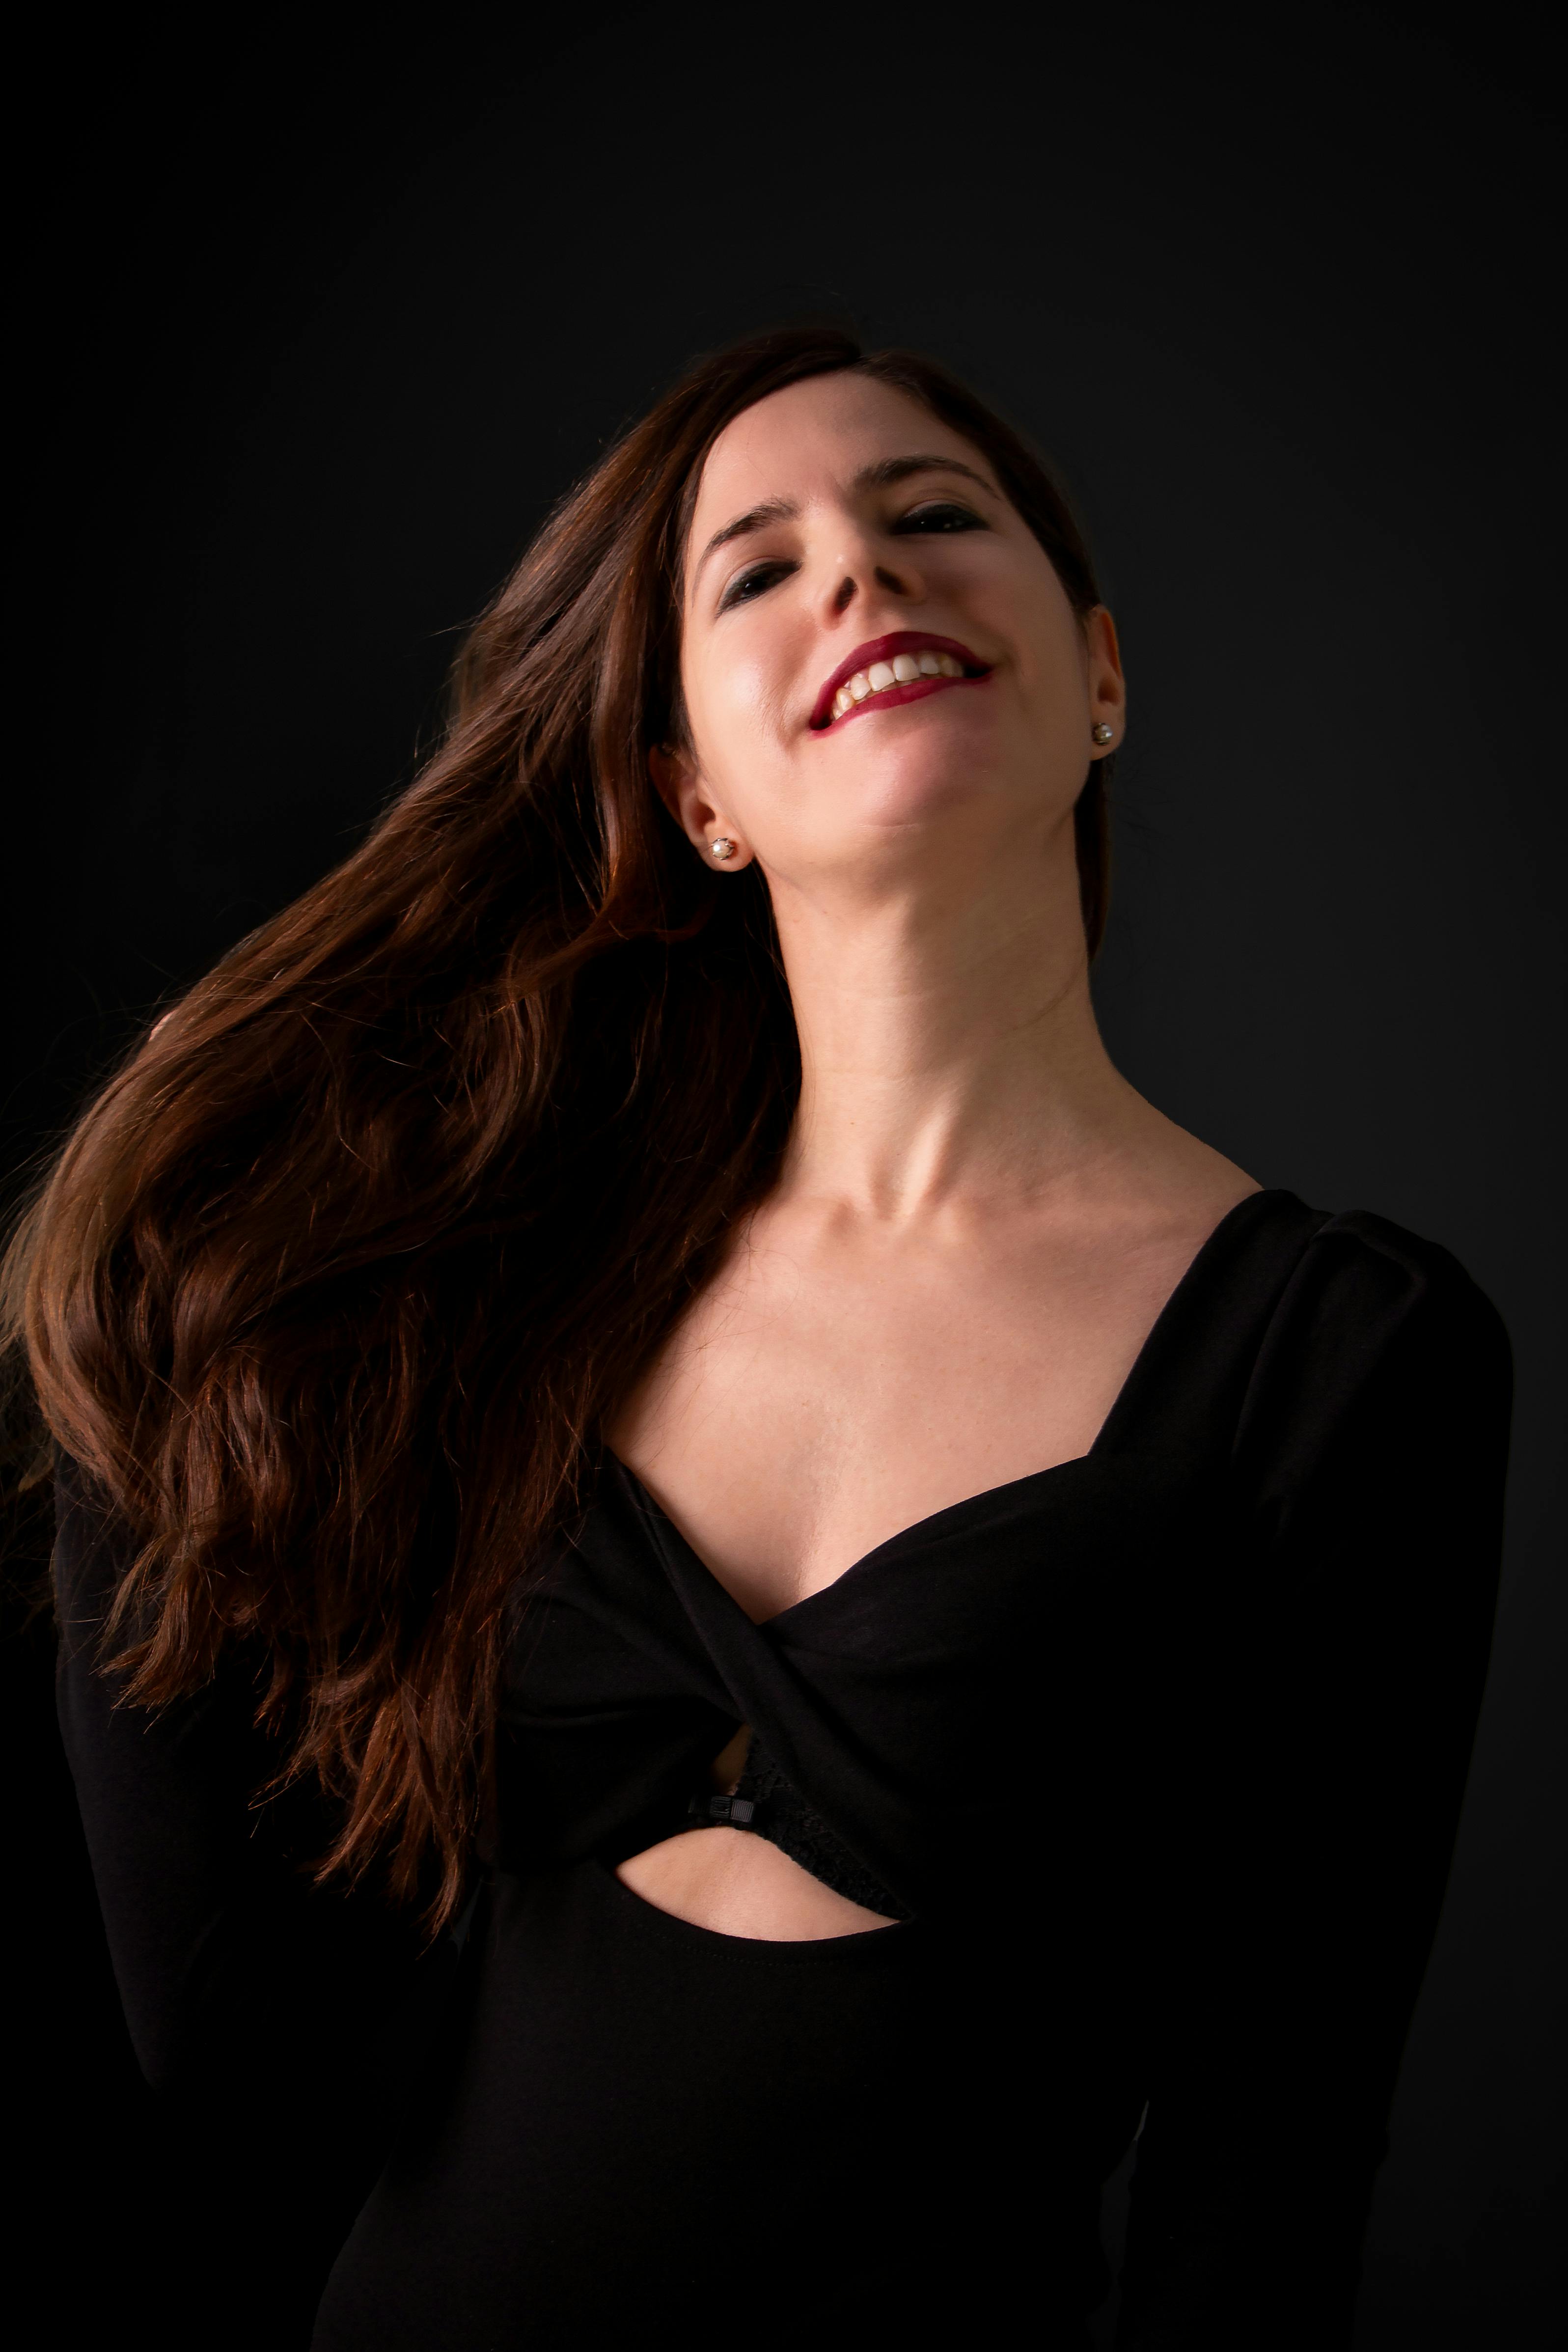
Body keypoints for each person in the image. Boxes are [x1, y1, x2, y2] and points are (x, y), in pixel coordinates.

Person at [7, 326, 1511, 2347]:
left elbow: (1263, 2169)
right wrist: (134, 1321)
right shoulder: (526, 1282)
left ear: (1105, 677)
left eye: (930, 517)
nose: (862, 580)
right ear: (692, 792)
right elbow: (240, 2056)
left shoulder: (1341, 1351)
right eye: (759, 566)